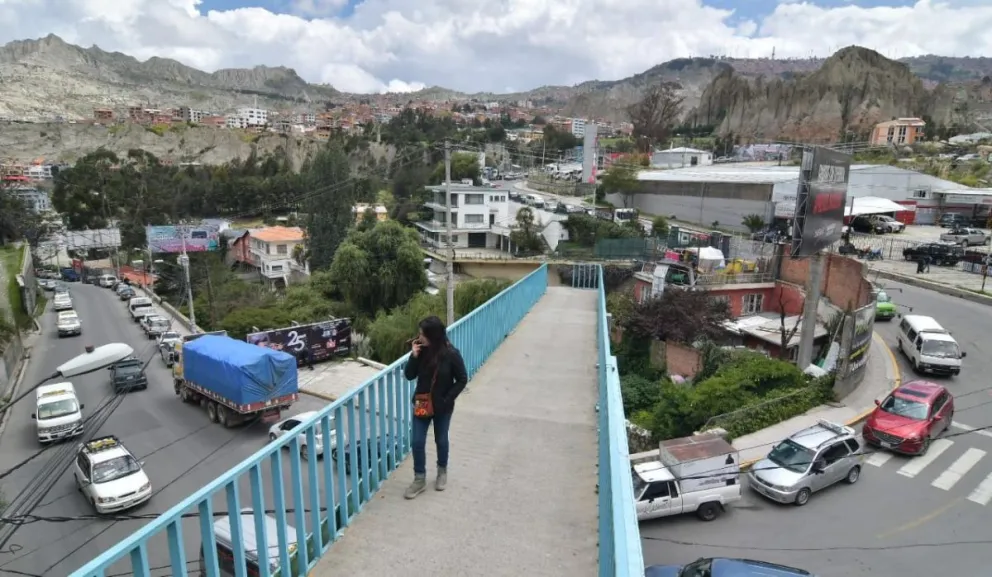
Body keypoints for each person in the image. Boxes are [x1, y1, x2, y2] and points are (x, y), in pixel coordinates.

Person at [403, 315, 468, 499]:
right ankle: (419, 479)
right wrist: (413, 356)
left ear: (433, 335)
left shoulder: (451, 354)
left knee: (441, 440)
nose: (419, 337)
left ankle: (442, 471)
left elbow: (462, 379)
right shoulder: (420, 351)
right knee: (416, 441)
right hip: (422, 404)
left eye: (422, 334)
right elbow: (409, 375)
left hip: (442, 407)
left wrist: (447, 399)